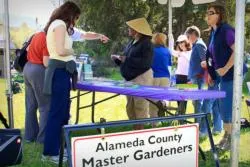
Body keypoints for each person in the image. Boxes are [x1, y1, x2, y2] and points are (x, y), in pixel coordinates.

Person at [42, 1, 81, 163]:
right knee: (57, 112)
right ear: (70, 14)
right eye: (76, 17)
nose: (76, 21)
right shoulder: (59, 25)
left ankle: (60, 147)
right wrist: (73, 51)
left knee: (63, 112)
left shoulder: (58, 25)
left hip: (62, 72)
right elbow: (60, 50)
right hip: (59, 72)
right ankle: (50, 153)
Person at [205, 3, 247, 150]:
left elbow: (238, 51)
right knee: (223, 107)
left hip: (233, 74)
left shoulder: (226, 30)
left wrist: (225, 68)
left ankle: (230, 139)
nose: (208, 15)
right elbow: (212, 55)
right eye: (208, 12)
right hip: (222, 75)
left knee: (226, 107)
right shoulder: (213, 32)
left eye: (211, 12)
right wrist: (211, 73)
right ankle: (227, 137)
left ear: (220, 15)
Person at [111, 18, 153, 130]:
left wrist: (126, 59)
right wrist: (118, 60)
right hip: (130, 78)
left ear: (137, 30)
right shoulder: (131, 42)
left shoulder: (146, 43)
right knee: (130, 107)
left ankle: (140, 134)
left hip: (141, 78)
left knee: (140, 106)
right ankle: (135, 132)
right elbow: (127, 59)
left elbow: (145, 63)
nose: (129, 29)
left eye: (131, 27)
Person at [23, 31, 50, 144]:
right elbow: (46, 63)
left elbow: (28, 49)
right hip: (38, 70)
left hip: (27, 68)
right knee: (45, 106)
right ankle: (42, 139)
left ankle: (29, 136)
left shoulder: (37, 34)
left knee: (31, 105)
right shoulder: (48, 38)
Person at [185, 26, 207, 126]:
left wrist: (197, 75)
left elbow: (204, 62)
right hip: (195, 77)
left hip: (198, 78)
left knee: (198, 103)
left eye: (188, 36)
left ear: (194, 34)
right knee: (195, 103)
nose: (187, 39)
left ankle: (197, 126)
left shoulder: (199, 45)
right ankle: (198, 124)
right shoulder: (196, 45)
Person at [149, 33, 171, 126]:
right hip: (165, 77)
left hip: (154, 77)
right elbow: (169, 65)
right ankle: (164, 103)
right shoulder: (167, 51)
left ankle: (155, 123)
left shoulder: (151, 51)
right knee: (164, 96)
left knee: (152, 101)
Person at [173, 34, 192, 114]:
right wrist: (171, 39)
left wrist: (182, 53)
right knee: (178, 97)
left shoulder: (190, 52)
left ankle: (182, 118)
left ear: (186, 42)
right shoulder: (179, 53)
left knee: (184, 98)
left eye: (182, 42)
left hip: (186, 77)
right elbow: (171, 51)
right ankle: (180, 118)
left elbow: (190, 61)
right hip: (178, 77)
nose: (180, 44)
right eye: (179, 43)